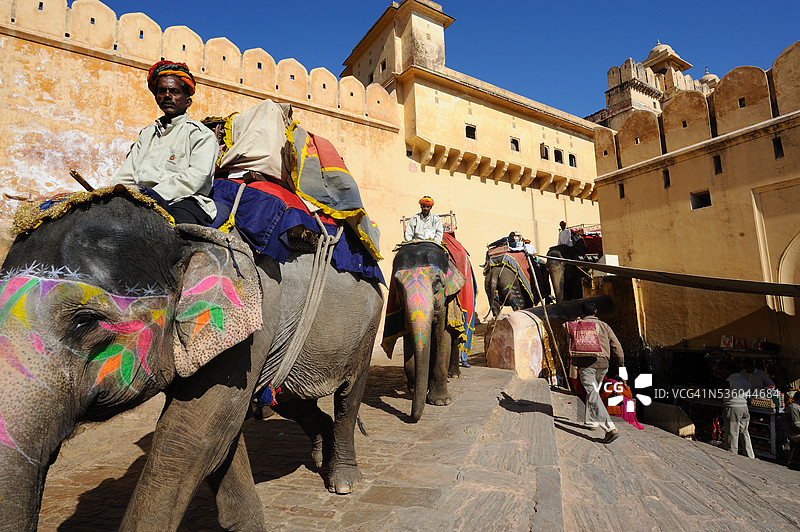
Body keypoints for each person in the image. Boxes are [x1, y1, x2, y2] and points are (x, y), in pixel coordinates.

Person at [114, 60, 218, 225]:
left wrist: (150, 195)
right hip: (137, 199)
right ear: (157, 98)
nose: (167, 95)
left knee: (175, 235)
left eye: (174, 91)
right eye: (162, 91)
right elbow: (126, 173)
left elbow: (196, 177)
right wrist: (116, 194)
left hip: (182, 200)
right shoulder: (147, 134)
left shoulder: (200, 134)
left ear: (187, 101)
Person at [566, 300, 625, 444]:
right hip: (603, 364)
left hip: (586, 365)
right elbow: (617, 346)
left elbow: (568, 341)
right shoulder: (605, 326)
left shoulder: (577, 325)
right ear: (595, 312)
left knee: (592, 393)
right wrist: (621, 365)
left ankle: (610, 428)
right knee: (593, 392)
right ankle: (591, 421)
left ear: (582, 312)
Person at [723, 362, 755, 459]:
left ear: (728, 371)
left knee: (732, 432)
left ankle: (732, 455)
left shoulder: (730, 380)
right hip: (744, 407)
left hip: (733, 407)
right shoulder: (746, 382)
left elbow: (721, 388)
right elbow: (749, 395)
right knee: (744, 432)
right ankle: (750, 455)